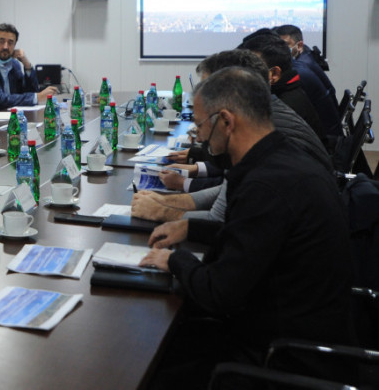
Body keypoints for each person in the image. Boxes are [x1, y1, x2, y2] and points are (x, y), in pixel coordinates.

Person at [139, 66, 353, 388]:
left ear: (226, 121)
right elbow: (254, 238)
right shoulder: (282, 159)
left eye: (200, 125)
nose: (198, 136)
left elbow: (217, 293)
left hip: (281, 359)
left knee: (152, 364)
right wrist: (190, 230)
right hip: (300, 330)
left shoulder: (265, 187)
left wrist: (173, 260)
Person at [131, 49, 331, 223]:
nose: (198, 138)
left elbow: (220, 222)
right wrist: (167, 201)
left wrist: (163, 211)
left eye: (208, 90)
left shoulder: (267, 146)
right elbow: (225, 193)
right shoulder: (260, 123)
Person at [244, 28, 339, 137]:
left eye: (253, 68)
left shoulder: (298, 76)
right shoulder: (294, 69)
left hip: (327, 137)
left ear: (274, 73)